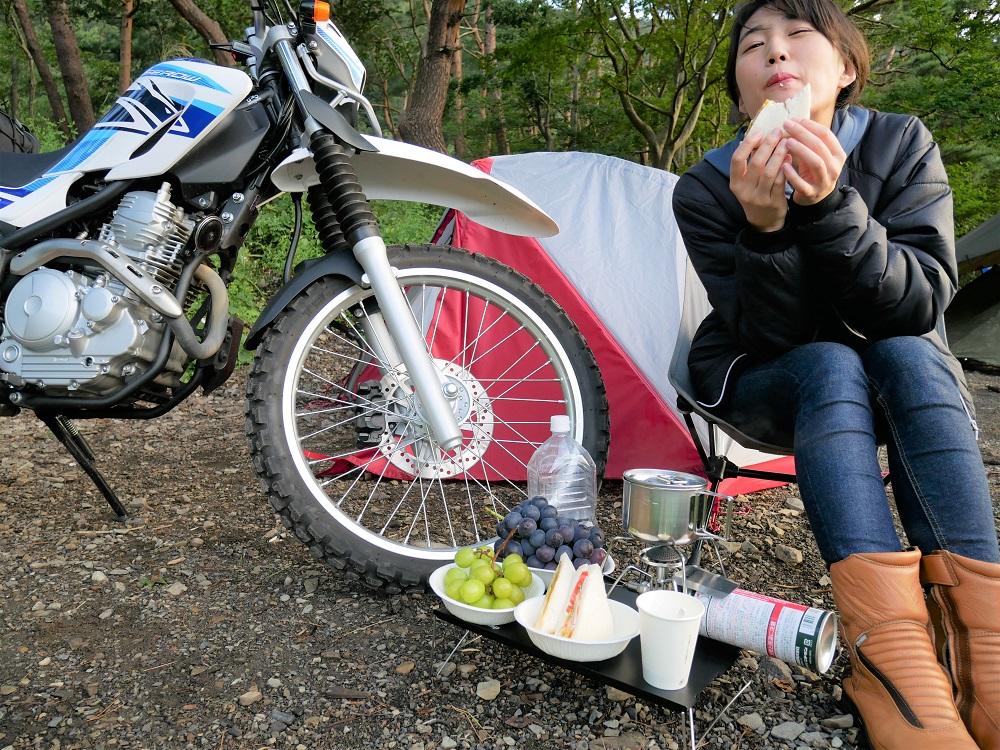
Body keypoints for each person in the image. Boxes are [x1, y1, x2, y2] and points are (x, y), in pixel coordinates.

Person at [671, 1, 1000, 748]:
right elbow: (768, 335)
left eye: (797, 38)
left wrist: (829, 205)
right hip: (766, 378)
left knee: (912, 349)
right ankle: (892, 666)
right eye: (754, 46)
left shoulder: (898, 143)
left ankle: (985, 656)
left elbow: (919, 300)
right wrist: (765, 229)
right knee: (826, 362)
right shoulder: (707, 184)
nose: (775, 55)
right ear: (744, 88)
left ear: (845, 70)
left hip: (896, 368)